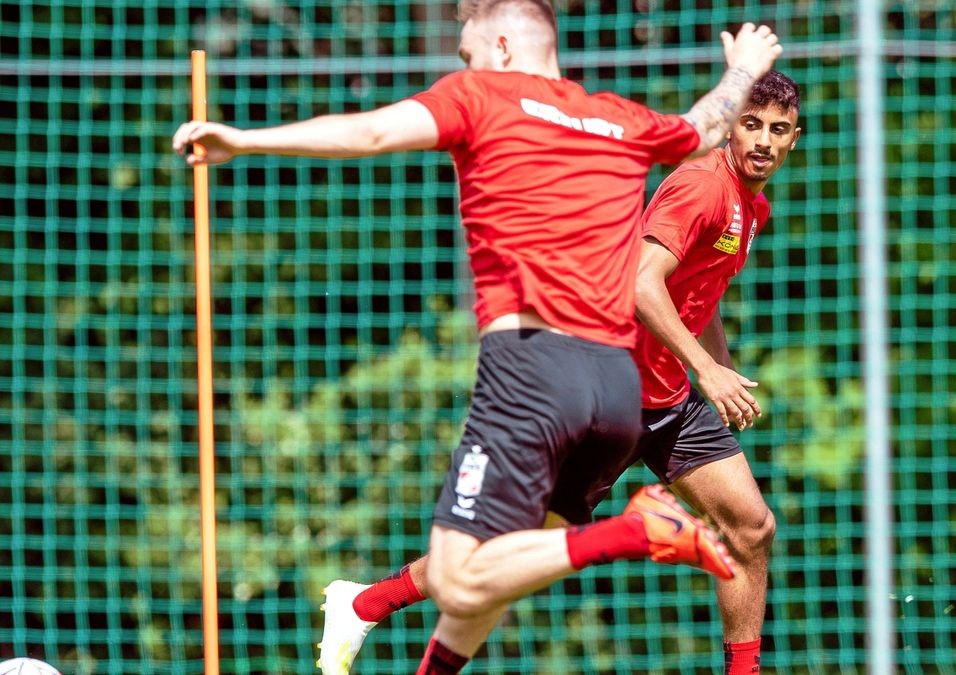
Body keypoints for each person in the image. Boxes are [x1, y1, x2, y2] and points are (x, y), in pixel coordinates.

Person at [173, 1, 783, 672]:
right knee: (498, 563)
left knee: (468, 573)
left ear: (498, 45)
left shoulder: (484, 96)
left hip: (532, 372)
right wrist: (743, 69)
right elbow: (703, 126)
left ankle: (634, 530)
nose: (462, 65)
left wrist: (248, 141)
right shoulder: (617, 117)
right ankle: (378, 613)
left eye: (465, 53)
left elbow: (373, 133)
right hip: (615, 383)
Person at [318, 69, 801, 675]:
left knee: (752, 528)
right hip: (611, 396)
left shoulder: (752, 206)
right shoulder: (703, 187)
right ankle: (365, 602)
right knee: (507, 559)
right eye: (750, 124)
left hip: (669, 401)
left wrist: (720, 368)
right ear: (730, 126)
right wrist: (707, 369)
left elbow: (697, 293)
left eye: (776, 130)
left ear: (793, 139)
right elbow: (639, 284)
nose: (761, 139)